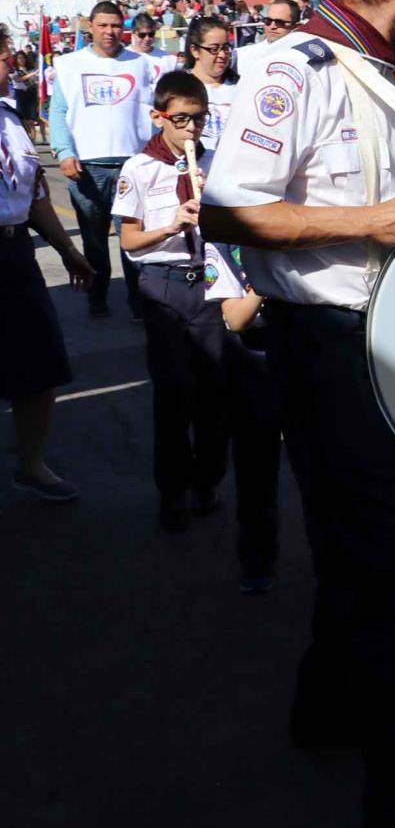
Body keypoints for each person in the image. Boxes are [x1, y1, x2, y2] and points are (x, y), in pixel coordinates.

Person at [202, 0, 395, 825]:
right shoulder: (296, 68)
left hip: (384, 336)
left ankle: (322, 707)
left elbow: (380, 203)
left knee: (365, 548)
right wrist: (375, 222)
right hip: (324, 347)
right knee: (383, 569)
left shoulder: (384, 74)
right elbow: (228, 212)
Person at [113, 70, 232, 533]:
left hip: (208, 283)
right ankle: (173, 490)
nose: (190, 130)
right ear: (158, 116)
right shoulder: (139, 168)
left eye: (198, 119)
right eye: (180, 119)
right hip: (162, 282)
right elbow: (129, 241)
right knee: (173, 393)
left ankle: (209, 479)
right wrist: (171, 224)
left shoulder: (216, 160)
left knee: (213, 391)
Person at [0, 46, 94, 503]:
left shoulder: (11, 119)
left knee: (39, 362)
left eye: (4, 59)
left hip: (15, 255)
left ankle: (31, 465)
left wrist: (68, 249)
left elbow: (34, 194)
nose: (7, 68)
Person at [49, 0, 159, 316]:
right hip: (87, 167)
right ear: (90, 27)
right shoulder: (69, 64)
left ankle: (140, 303)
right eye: (103, 25)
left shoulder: (140, 64)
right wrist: (64, 152)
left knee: (133, 239)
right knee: (94, 241)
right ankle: (98, 298)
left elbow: (151, 114)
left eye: (115, 25)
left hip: (131, 164)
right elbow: (57, 112)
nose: (110, 31)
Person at [182, 15, 237, 152]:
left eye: (225, 48)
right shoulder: (178, 87)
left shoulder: (240, 87)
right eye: (214, 49)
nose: (223, 55)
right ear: (195, 50)